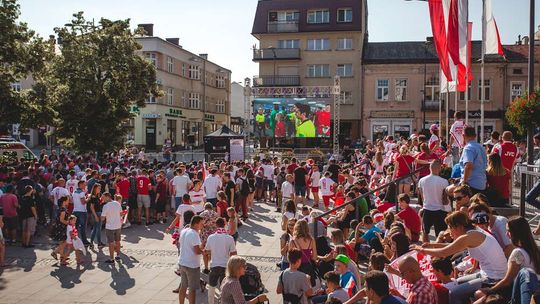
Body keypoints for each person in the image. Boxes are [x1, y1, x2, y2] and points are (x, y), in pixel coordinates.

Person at [411, 211, 508, 304]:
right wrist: (431, 245)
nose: (450, 232)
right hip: (488, 273)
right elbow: (451, 246)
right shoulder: (473, 231)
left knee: (453, 293)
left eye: (450, 228)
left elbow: (444, 252)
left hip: (493, 278)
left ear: (459, 227)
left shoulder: (468, 237)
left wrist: (422, 250)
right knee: (456, 283)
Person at [474, 217, 540, 304]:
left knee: (478, 294)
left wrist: (490, 289)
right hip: (533, 290)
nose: (506, 234)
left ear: (515, 233)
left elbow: (507, 281)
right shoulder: (535, 250)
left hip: (518, 293)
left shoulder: (518, 253)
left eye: (508, 231)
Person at [205, 217, 237, 304]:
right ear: (225, 224)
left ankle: (210, 302)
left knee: (211, 287)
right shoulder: (229, 238)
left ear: (216, 225)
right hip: (225, 265)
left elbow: (207, 251)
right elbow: (234, 253)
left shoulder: (211, 237)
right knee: (224, 288)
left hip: (214, 264)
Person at [417, 160, 450, 242]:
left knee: (425, 232)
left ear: (429, 168)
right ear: (439, 168)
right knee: (441, 234)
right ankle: (440, 252)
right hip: (440, 210)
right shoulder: (444, 181)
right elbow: (445, 200)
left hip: (427, 208)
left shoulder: (422, 180)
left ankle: (426, 251)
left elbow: (422, 197)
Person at [178, 215, 204, 304]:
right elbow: (197, 251)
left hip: (182, 262)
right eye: (201, 224)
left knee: (183, 286)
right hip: (192, 265)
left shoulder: (184, 231)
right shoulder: (194, 234)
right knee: (192, 289)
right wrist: (204, 252)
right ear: (196, 224)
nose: (202, 226)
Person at [288, 219, 318, 287]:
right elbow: (314, 257)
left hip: (296, 267)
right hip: (308, 267)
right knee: (307, 288)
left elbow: (290, 259)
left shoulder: (293, 241)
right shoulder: (311, 240)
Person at [460, 126, 488, 194]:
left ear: (463, 135)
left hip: (471, 184)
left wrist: (464, 182)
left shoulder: (468, 148)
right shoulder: (481, 147)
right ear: (475, 136)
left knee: (449, 191)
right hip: (482, 183)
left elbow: (469, 165)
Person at [101, 193, 124, 263]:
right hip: (118, 225)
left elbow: (102, 218)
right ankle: (118, 255)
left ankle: (111, 258)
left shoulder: (105, 206)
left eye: (104, 197)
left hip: (110, 227)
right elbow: (121, 213)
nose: (103, 199)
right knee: (118, 241)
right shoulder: (117, 203)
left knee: (111, 243)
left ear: (108, 197)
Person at [72, 180, 90, 246]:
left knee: (75, 227)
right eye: (84, 184)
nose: (85, 186)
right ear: (80, 184)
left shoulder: (74, 192)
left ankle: (74, 240)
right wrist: (88, 198)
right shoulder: (81, 192)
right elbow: (83, 202)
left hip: (75, 211)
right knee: (83, 227)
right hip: (82, 211)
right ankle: (84, 241)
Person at [88, 183, 105, 249]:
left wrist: (101, 200)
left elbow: (97, 204)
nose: (100, 190)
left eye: (100, 188)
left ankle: (91, 243)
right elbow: (92, 207)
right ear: (95, 188)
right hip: (96, 213)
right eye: (99, 188)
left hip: (97, 213)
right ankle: (99, 243)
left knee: (95, 229)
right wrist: (95, 216)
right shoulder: (93, 196)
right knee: (98, 229)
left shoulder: (96, 196)